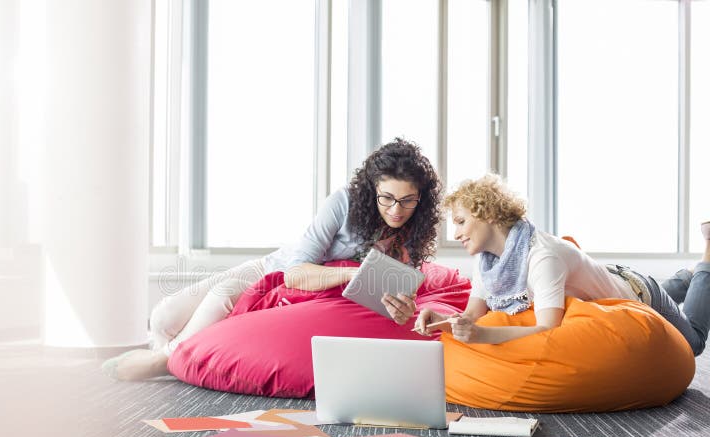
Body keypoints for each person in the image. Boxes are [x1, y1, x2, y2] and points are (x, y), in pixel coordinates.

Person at [103, 138, 443, 380]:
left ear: (420, 199)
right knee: (163, 317)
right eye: (387, 198)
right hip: (272, 270)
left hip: (299, 301)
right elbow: (295, 273)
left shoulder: (412, 232)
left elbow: (399, 296)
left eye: (407, 200)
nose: (396, 210)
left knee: (220, 299)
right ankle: (173, 360)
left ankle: (165, 361)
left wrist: (403, 308)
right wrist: (352, 272)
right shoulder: (344, 203)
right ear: (372, 190)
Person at [415, 174, 710, 357]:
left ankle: (705, 263)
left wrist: (482, 336)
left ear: (489, 214)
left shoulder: (542, 256)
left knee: (693, 344)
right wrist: (440, 319)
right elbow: (471, 316)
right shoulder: (488, 262)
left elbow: (547, 329)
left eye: (461, 222)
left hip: (640, 295)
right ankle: (686, 279)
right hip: (610, 279)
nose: (455, 234)